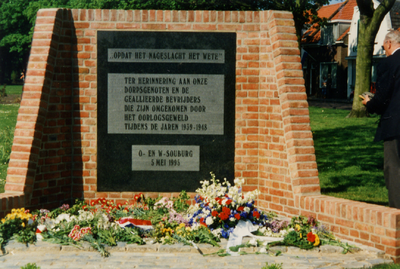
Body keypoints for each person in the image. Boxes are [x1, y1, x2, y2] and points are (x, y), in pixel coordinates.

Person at [362, 30, 400, 208]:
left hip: (395, 124)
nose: (384, 49)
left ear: (390, 44)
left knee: (393, 168)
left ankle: (397, 214)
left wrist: (370, 103)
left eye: (384, 46)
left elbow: (384, 95)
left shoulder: (389, 64)